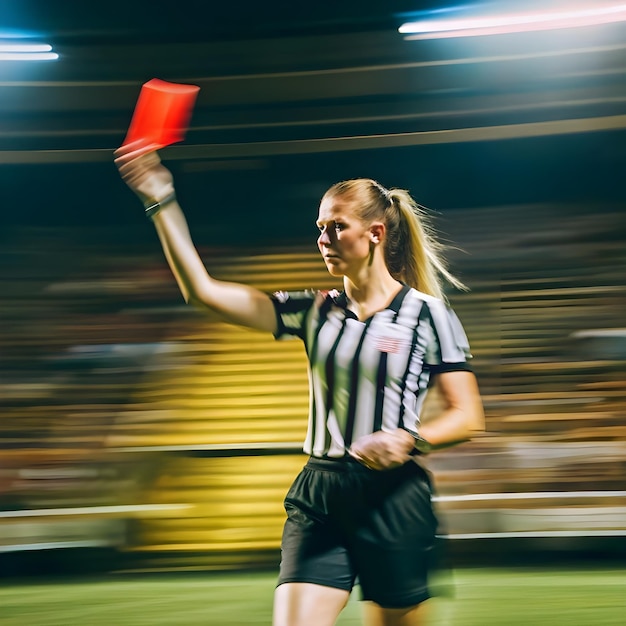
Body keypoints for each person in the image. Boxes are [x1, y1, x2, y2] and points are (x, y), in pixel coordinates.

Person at [114, 145, 485, 626]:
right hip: (320, 494)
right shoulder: (312, 310)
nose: (324, 238)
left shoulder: (429, 315)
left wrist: (409, 439)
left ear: (375, 233)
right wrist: (161, 200)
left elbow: (468, 415)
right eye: (319, 228)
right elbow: (201, 291)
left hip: (393, 497)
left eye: (336, 226)